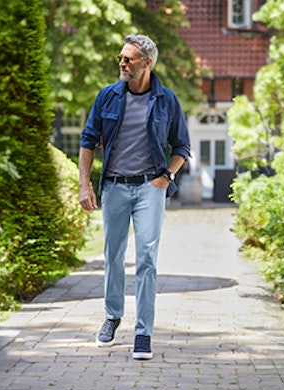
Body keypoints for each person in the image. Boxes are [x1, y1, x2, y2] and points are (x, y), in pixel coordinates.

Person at [78, 34, 190, 361]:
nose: (122, 63)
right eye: (121, 58)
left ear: (147, 63)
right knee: (113, 254)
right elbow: (88, 141)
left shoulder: (166, 100)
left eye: (129, 59)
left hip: (149, 188)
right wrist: (85, 185)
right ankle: (112, 316)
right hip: (114, 186)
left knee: (147, 259)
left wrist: (166, 176)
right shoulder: (107, 97)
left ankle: (143, 332)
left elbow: (181, 147)